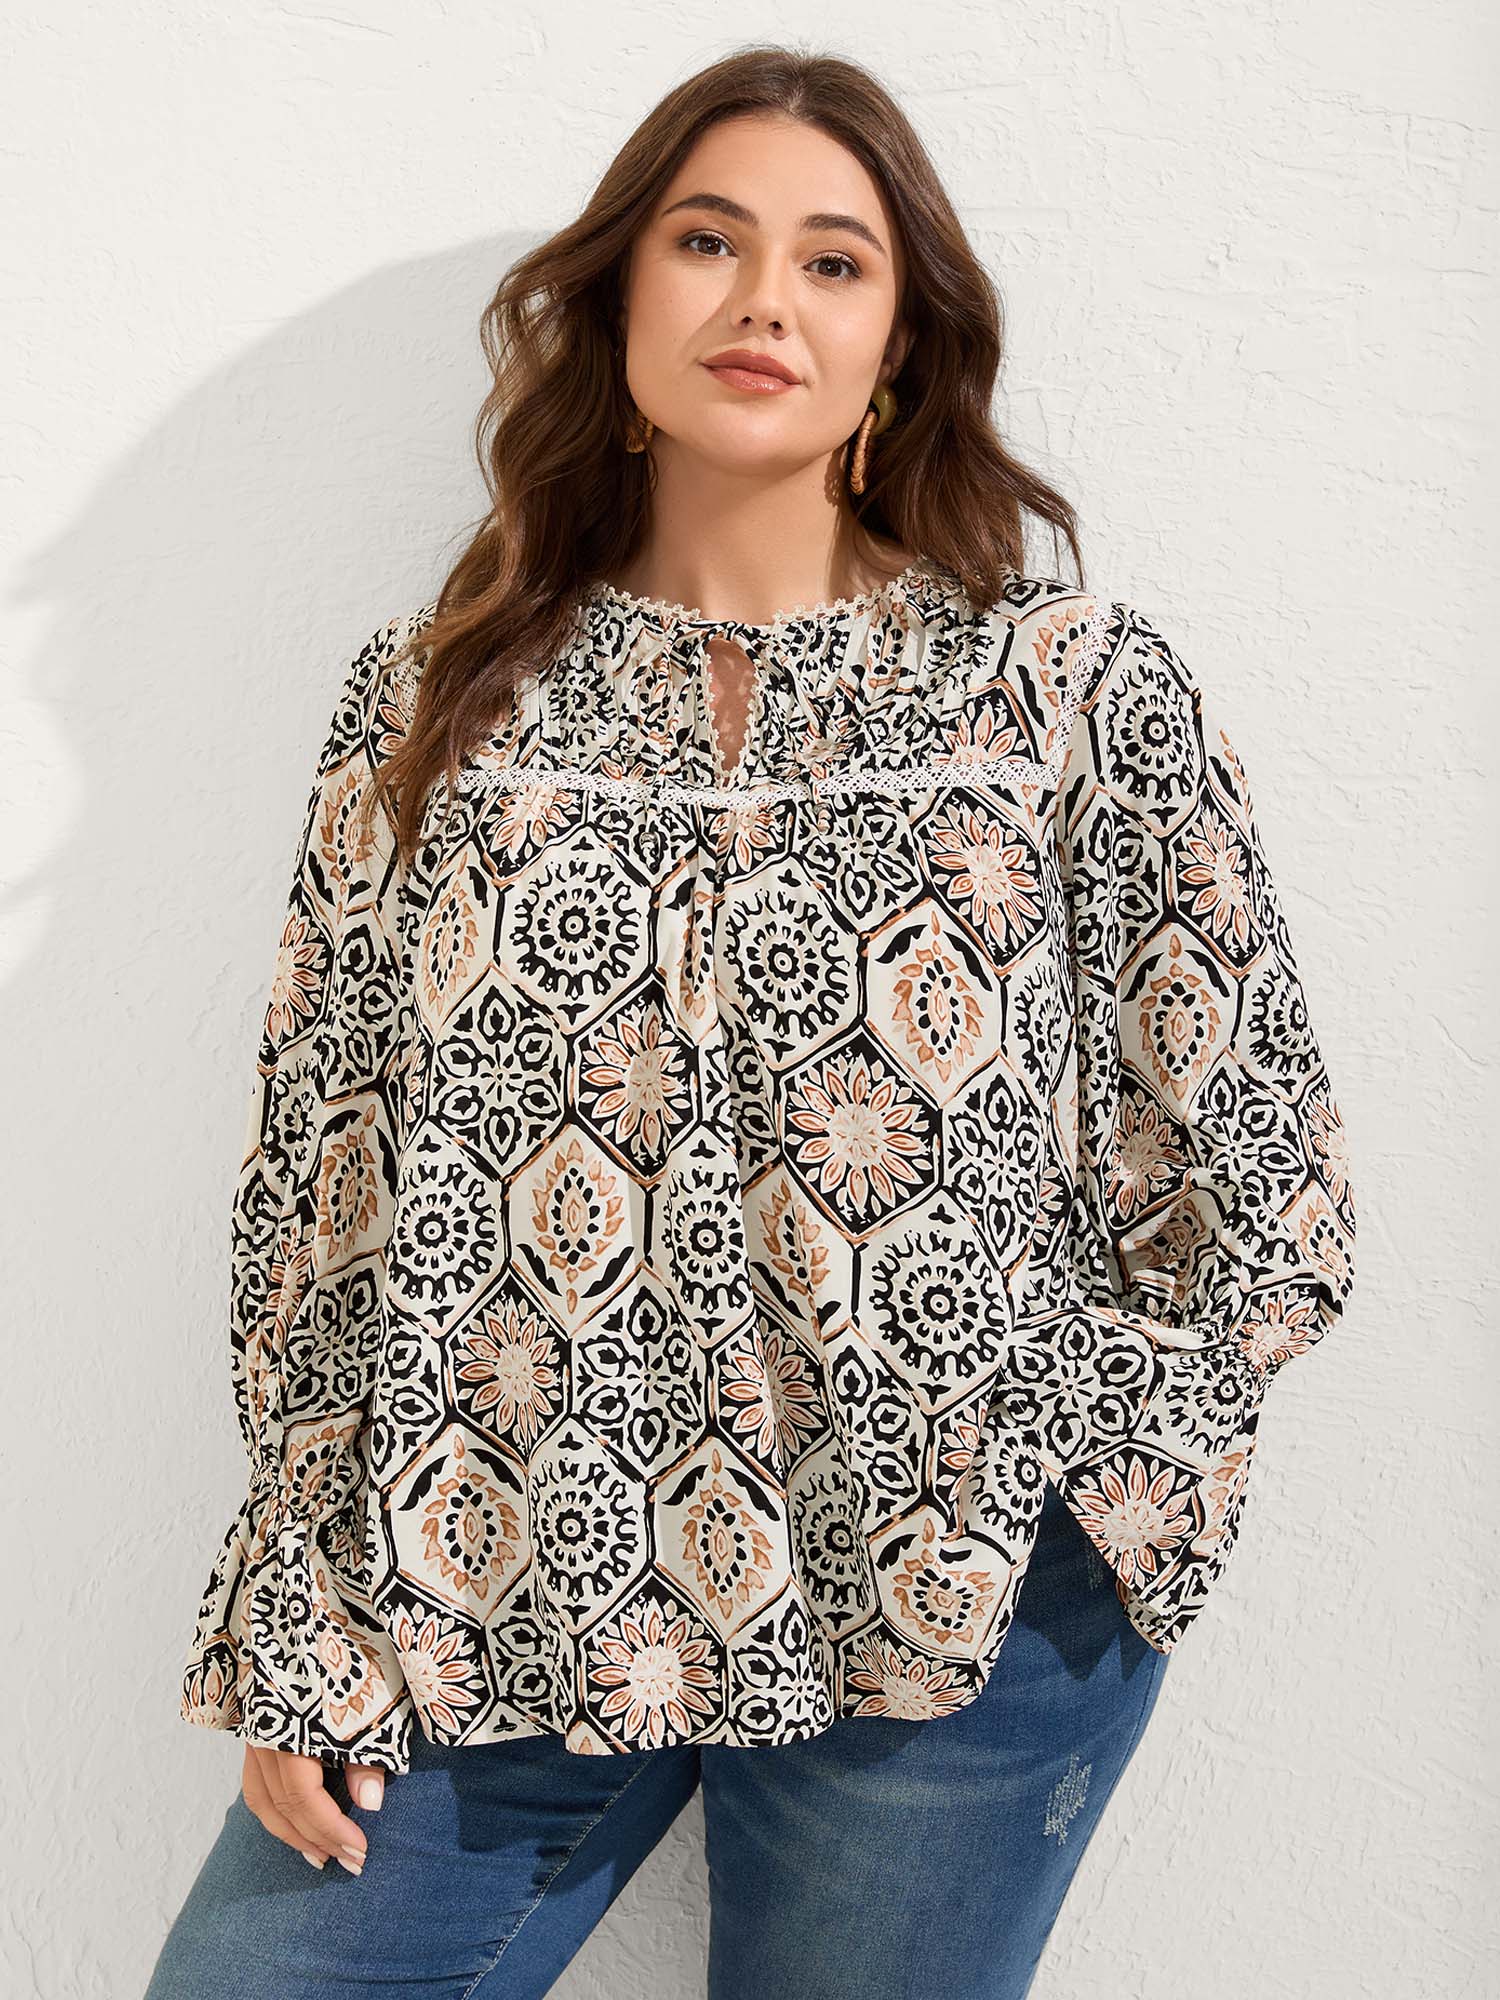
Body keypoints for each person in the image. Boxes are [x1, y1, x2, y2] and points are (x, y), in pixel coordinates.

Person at [146, 43, 1356, 2000]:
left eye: (834, 262)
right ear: (621, 295)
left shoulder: (1062, 690)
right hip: (489, 1565)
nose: (764, 299)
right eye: (708, 241)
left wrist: (1081, 1466)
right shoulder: (432, 705)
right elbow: (322, 1189)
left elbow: (1267, 1172)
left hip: (954, 1600)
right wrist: (304, 1599)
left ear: (901, 347)